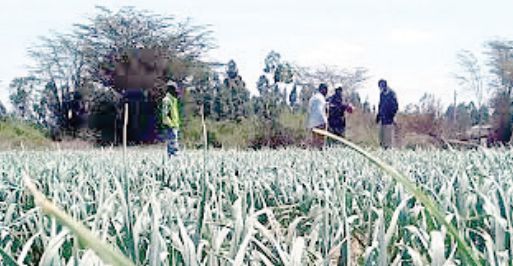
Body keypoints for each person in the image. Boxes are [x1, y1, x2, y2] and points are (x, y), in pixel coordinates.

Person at [376, 79, 398, 149]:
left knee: (388, 140)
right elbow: (380, 105)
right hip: (382, 119)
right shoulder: (382, 94)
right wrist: (378, 116)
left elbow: (395, 106)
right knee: (381, 139)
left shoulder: (392, 93)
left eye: (381, 86)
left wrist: (392, 116)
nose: (380, 88)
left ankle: (388, 151)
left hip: (389, 120)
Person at [162, 81, 181, 157]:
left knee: (174, 143)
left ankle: (174, 158)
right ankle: (173, 159)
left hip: (175, 125)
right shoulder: (167, 100)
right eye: (174, 88)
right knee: (172, 144)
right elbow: (165, 114)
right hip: (171, 126)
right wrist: (171, 124)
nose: (176, 90)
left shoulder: (173, 100)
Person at [307, 83, 329, 149]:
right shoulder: (322, 98)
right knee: (321, 142)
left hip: (312, 122)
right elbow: (325, 110)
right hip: (321, 121)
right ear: (323, 90)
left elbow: (309, 110)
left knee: (315, 141)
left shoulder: (313, 97)